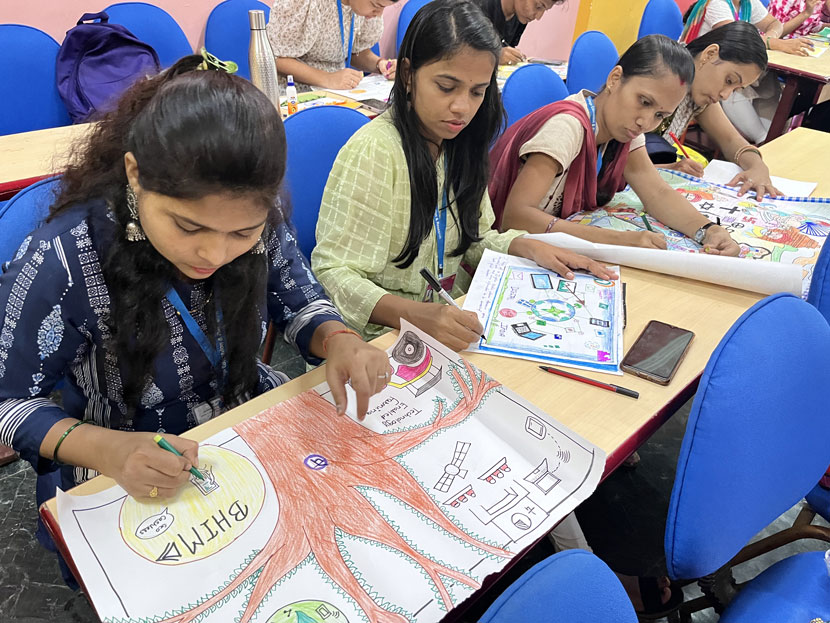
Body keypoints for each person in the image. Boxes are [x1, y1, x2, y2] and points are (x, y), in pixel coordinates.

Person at [0, 56, 390, 583]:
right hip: (120, 447)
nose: (214, 253)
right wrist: (109, 449)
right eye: (188, 226)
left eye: (243, 234)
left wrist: (341, 339)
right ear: (135, 173)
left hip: (240, 412)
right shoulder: (67, 254)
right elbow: (9, 401)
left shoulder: (257, 212)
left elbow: (299, 299)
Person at [311, 0, 615, 352]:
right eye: (446, 87)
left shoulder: (459, 142)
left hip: (446, 325)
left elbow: (473, 240)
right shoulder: (376, 152)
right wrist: (412, 314)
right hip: (374, 343)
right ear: (408, 75)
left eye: (477, 91)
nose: (462, 107)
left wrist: (523, 245)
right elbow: (333, 273)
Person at [487, 35, 740, 253]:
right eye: (644, 101)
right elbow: (516, 216)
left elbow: (656, 193)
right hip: (505, 248)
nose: (646, 122)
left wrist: (708, 230)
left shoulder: (624, 131)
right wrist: (619, 240)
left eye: (660, 116)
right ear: (615, 79)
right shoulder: (567, 129)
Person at [657, 21, 780, 199]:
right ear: (709, 54)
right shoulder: (657, 78)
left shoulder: (696, 91)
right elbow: (612, 163)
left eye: (736, 89)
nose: (725, 95)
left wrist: (758, 167)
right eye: (729, 81)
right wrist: (669, 169)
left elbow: (731, 140)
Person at [681, 0, 816, 143]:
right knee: (733, 85)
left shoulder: (747, 3)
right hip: (703, 74)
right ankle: (762, 140)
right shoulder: (716, 3)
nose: (725, 95)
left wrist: (768, 38)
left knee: (766, 81)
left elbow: (774, 24)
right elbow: (738, 42)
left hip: (723, 70)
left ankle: (771, 137)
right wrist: (772, 43)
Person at [267, 0, 399, 90]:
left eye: (384, 7)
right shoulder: (306, 3)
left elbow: (354, 52)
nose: (379, 13)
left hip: (336, 92)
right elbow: (275, 57)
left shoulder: (363, 10)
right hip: (294, 95)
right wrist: (327, 79)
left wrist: (380, 65)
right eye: (376, 4)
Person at [472, 0, 564, 65]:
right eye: (538, 6)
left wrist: (512, 56)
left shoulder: (520, 16)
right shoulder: (476, 8)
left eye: (544, 9)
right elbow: (461, 54)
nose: (538, 17)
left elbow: (506, 47)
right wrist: (493, 57)